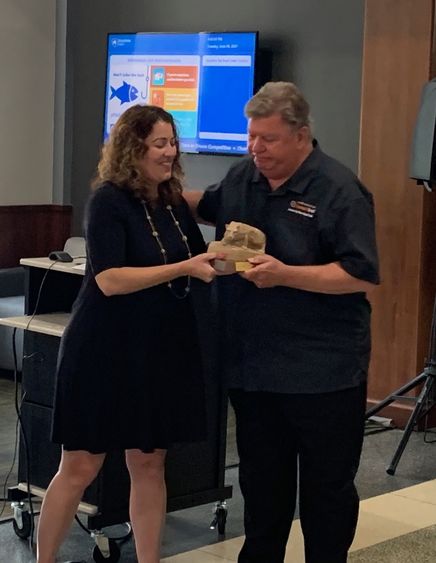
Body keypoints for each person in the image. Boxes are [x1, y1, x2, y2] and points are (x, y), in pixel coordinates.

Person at [185, 81, 380, 563]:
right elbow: (206, 204)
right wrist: (146, 188)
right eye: (252, 137)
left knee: (326, 489)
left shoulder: (339, 190)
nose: (257, 149)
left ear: (301, 135)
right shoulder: (242, 178)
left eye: (268, 139)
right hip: (254, 370)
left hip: (323, 372)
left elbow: (360, 275)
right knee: (261, 482)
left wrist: (288, 275)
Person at [36, 104, 217, 563]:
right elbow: (109, 280)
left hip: (157, 350)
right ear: (132, 149)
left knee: (149, 462)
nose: (169, 152)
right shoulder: (109, 200)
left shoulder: (172, 202)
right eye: (159, 144)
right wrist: (184, 267)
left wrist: (238, 255)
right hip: (104, 348)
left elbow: (201, 260)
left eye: (172, 143)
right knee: (80, 465)